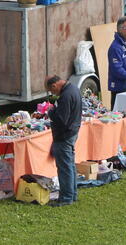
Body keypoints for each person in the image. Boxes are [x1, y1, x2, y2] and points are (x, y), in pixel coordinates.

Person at [45, 75, 82, 207]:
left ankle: (66, 198)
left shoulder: (66, 96)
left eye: (51, 91)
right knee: (70, 165)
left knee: (64, 167)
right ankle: (72, 194)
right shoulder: (74, 89)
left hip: (64, 135)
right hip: (73, 131)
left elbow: (61, 120)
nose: (52, 93)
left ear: (54, 85)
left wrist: (51, 112)